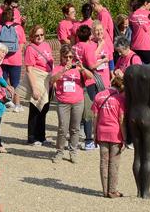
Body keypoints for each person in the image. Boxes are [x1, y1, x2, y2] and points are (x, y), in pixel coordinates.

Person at [49, 46, 91, 162]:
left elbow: (91, 77)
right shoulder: (58, 68)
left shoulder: (77, 68)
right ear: (61, 57)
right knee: (63, 128)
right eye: (66, 57)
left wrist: (82, 69)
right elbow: (52, 80)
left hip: (78, 101)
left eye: (70, 57)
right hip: (63, 102)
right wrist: (63, 70)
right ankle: (59, 152)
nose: (68, 59)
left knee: (75, 128)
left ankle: (73, 151)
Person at [93, 70, 127, 198]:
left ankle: (104, 190)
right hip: (115, 133)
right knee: (114, 163)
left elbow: (95, 117)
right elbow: (121, 119)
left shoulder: (99, 96)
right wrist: (124, 137)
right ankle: (112, 190)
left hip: (102, 132)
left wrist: (94, 134)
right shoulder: (119, 99)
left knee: (103, 162)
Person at [21, 26, 53, 146]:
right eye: (37, 35)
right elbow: (29, 70)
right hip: (37, 81)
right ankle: (32, 137)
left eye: (42, 35)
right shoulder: (30, 49)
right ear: (32, 37)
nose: (39, 37)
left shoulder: (46, 45)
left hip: (47, 81)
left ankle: (42, 136)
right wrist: (34, 88)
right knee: (35, 110)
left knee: (44, 109)